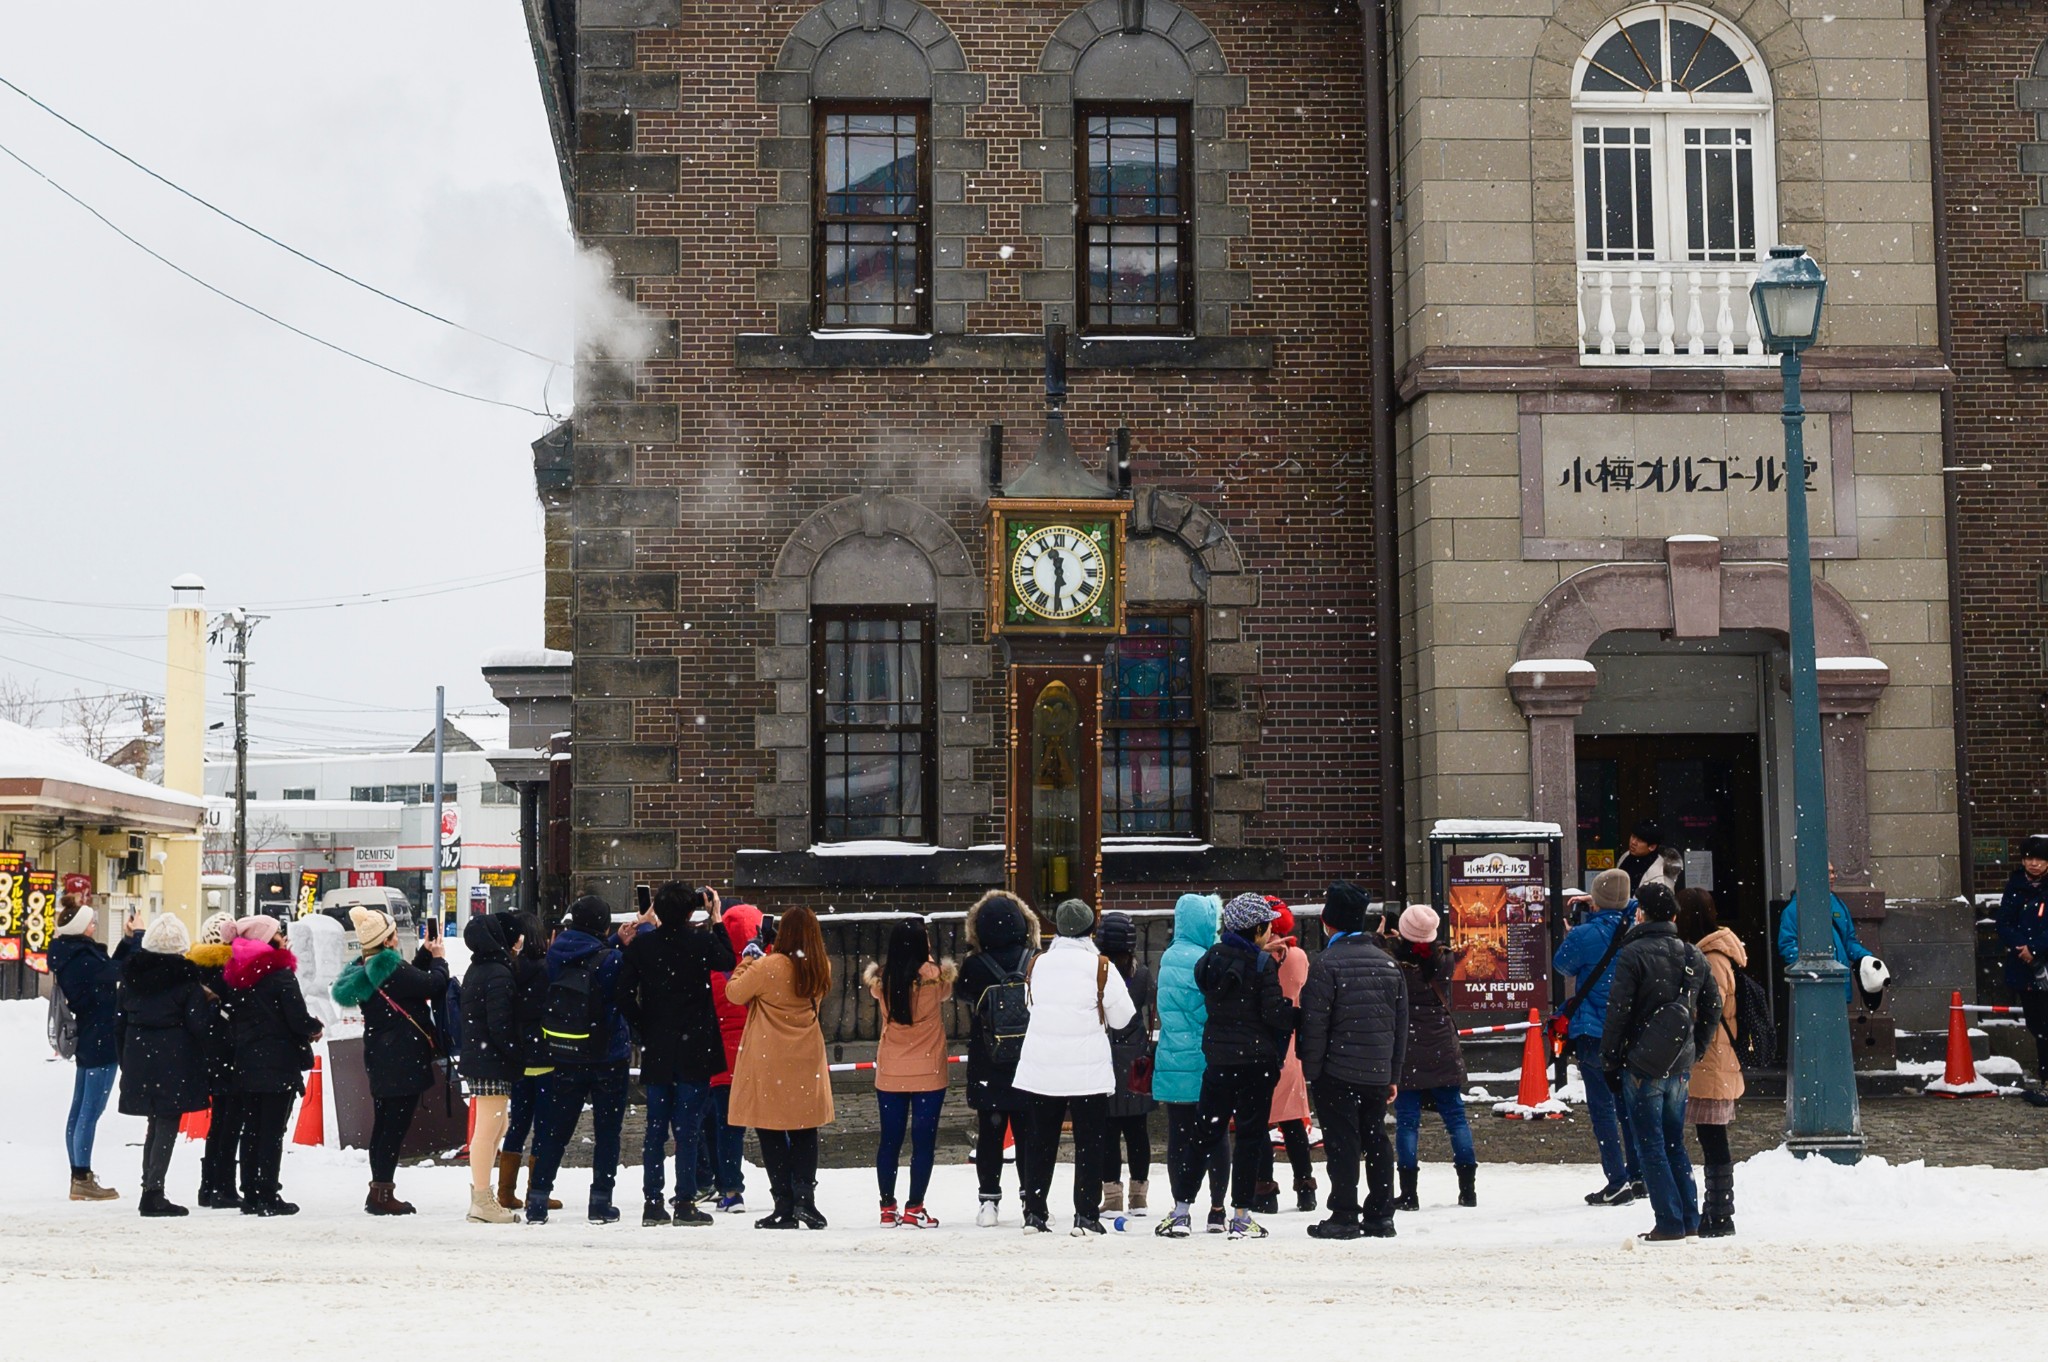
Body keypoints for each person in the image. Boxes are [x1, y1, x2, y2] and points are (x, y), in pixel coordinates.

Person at [1601, 880, 1723, 1243]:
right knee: (1675, 1141)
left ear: (1641, 914)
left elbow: (1618, 1012)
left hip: (1641, 1063)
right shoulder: (1692, 955)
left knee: (1649, 1142)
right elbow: (1713, 1006)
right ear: (1672, 915)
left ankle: (1668, 1221)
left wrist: (1609, 1060)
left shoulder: (1632, 954)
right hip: (1679, 1062)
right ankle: (1688, 1217)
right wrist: (1696, 1046)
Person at [1012, 898, 1137, 1236]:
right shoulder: (1101, 967)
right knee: (1090, 1142)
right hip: (1086, 1069)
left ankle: (1034, 1212)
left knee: (1040, 1140)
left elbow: (1030, 1005)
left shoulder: (1037, 964)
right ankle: (1084, 1213)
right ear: (1089, 930)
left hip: (1042, 1068)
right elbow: (1124, 1017)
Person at [619, 883, 736, 1226]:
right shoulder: (699, 943)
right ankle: (685, 1200)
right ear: (690, 912)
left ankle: (653, 1201)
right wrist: (716, 919)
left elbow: (624, 994)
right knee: (688, 1129)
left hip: (659, 1046)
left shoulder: (643, 946)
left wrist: (643, 1027)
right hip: (695, 1046)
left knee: (655, 1129)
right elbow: (727, 959)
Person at [1298, 882, 1407, 1241]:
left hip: (1337, 1070)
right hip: (1376, 1069)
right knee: (1375, 1137)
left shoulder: (1325, 964)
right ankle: (1380, 1213)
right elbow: (1400, 1025)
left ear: (1329, 923)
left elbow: (1315, 1024)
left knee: (1342, 1142)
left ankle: (1345, 1212)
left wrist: (1312, 1071)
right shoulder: (1389, 964)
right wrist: (1393, 1072)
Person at [1192, 893, 1298, 1240]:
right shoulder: (1262, 964)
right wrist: (1296, 1014)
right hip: (1256, 1063)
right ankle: (1241, 1213)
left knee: (1206, 1133)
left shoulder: (1210, 959)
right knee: (1250, 1136)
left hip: (1219, 1059)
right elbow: (1272, 1014)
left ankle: (1181, 1209)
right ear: (1258, 930)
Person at [331, 907, 449, 1216]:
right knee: (392, 1129)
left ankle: (379, 1189)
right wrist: (439, 959)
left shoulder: (368, 967)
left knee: (384, 1125)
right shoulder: (392, 969)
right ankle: (382, 1194)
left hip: (382, 1056)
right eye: (394, 933)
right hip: (402, 1059)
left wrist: (425, 954)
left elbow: (410, 980)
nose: (397, 937)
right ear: (387, 941)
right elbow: (432, 984)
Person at [526, 896, 633, 1224]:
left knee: (556, 1129)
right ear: (603, 925)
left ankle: (537, 1200)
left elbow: (585, 958)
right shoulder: (612, 960)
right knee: (607, 1131)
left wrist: (616, 942)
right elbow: (614, 988)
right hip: (607, 1055)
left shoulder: (556, 951)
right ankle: (600, 1202)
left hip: (566, 1052)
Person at [728, 904, 834, 1229]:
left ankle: (783, 1205)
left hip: (769, 1057)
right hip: (805, 1056)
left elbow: (734, 993)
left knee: (771, 1130)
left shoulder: (767, 966)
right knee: (805, 1129)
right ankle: (806, 1200)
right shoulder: (820, 967)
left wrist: (751, 956)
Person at [1553, 870, 1643, 1205]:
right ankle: (1638, 1175)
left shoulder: (1584, 934)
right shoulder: (1636, 929)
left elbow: (1562, 966)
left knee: (1602, 1108)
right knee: (1628, 1104)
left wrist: (1576, 929)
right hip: (1629, 1030)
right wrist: (1613, 903)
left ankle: (1616, 1179)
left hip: (1594, 1031)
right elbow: (1626, 906)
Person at [224, 916, 322, 1215]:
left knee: (251, 1128)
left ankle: (251, 1191)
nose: (283, 936)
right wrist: (313, 1027)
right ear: (268, 939)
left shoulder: (238, 974)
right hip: (278, 1061)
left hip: (246, 1061)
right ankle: (268, 1192)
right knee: (271, 1131)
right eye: (278, 932)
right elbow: (297, 1018)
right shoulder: (279, 973)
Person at [116, 915, 212, 1217]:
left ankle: (150, 1185)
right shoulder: (186, 982)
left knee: (154, 1123)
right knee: (167, 1122)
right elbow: (201, 1027)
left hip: (138, 1057)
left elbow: (118, 1023)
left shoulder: (131, 979)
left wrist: (126, 1060)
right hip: (174, 1060)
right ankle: (153, 1192)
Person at [956, 889, 1040, 1226]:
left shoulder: (976, 965)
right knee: (1026, 1133)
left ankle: (988, 1202)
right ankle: (1029, 1197)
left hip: (987, 1060)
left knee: (990, 1135)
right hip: (1027, 1059)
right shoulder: (1033, 958)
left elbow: (962, 993)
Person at [864, 917, 955, 1226]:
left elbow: (880, 988)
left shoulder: (883, 982)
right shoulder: (936, 979)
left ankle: (887, 1206)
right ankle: (915, 1206)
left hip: (891, 1069)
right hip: (928, 1069)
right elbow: (944, 987)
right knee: (923, 1141)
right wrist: (927, 957)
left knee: (889, 1139)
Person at [1388, 903, 1476, 1211]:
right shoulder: (1444, 960)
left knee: (1407, 1122)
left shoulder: (1393, 964)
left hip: (1407, 1047)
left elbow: (1400, 955)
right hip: (1440, 1043)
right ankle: (1468, 1190)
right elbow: (1424, 953)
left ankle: (1409, 1193)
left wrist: (1390, 940)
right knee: (1456, 1117)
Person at [50, 896, 139, 1201]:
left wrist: (127, 939)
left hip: (90, 1035)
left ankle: (79, 1174)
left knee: (79, 1109)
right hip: (101, 1039)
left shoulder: (72, 956)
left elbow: (112, 968)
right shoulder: (83, 960)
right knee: (90, 1110)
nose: (94, 925)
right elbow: (123, 972)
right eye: (91, 922)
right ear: (80, 927)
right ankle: (82, 1177)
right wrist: (137, 938)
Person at [1152, 891, 1230, 1237]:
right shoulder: (1208, 957)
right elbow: (1208, 1010)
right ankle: (1216, 1209)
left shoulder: (1168, 957)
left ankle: (1180, 1207)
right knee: (1216, 1138)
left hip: (1172, 1058)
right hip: (1206, 1061)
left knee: (1179, 1139)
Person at [1676, 887, 1745, 1238]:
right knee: (1710, 1137)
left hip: (1712, 1059)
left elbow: (1709, 1010)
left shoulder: (1712, 958)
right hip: (1715, 1058)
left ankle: (1719, 1214)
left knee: (1713, 1138)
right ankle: (1716, 1212)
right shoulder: (1714, 953)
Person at [459, 913, 524, 1224]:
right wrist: (516, 1052)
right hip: (491, 1062)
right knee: (488, 1128)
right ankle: (482, 1200)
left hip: (482, 1058)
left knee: (497, 1125)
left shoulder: (478, 969)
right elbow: (500, 1024)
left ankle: (483, 1198)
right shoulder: (498, 972)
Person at [492, 910, 557, 1212]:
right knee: (545, 1127)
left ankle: (506, 1191)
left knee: (517, 1124)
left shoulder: (509, 969)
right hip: (545, 1057)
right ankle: (537, 1190)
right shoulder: (547, 969)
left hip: (519, 1060)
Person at [705, 901, 764, 1213]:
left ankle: (730, 1188)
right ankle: (789, 1183)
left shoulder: (714, 969)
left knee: (727, 1128)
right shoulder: (764, 968)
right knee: (774, 1123)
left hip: (723, 1060)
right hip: (759, 1055)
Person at [1259, 897, 1316, 1215]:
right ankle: (1305, 1185)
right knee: (1293, 1120)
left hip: (1260, 1042)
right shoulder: (1297, 957)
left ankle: (1264, 1189)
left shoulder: (1256, 958)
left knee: (1257, 1124)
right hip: (1291, 1046)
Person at [1096, 910, 1154, 1218]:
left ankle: (1113, 1194)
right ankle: (1139, 1195)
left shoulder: (1097, 973)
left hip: (1104, 1054)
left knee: (1108, 1128)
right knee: (1138, 1129)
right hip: (1137, 1058)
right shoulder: (1142, 974)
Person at [188, 911, 244, 1209]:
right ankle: (223, 1186)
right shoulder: (230, 972)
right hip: (230, 1054)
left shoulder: (195, 971)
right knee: (229, 1122)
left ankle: (208, 1185)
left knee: (219, 1123)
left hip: (208, 1055)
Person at [1775, 862, 1878, 1003]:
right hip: (1814, 989)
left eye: (1833, 872)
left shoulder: (1838, 905)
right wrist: (1811, 973)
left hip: (1838, 984)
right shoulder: (1794, 911)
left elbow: (1848, 941)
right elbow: (1787, 946)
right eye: (1827, 872)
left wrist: (1866, 958)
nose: (1832, 877)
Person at [1996, 836, 2048, 1106]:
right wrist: (2021, 947)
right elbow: (2003, 922)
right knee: (2036, 1024)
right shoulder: (2015, 886)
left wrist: (2037, 949)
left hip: (2043, 963)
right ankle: (2044, 1078)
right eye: (2029, 858)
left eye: (2039, 858)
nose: (2034, 863)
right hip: (2025, 968)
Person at [1618, 820, 1661, 891]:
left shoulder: (1658, 872)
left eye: (1640, 840)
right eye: (1633, 836)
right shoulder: (1625, 857)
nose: (1633, 842)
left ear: (1652, 847)